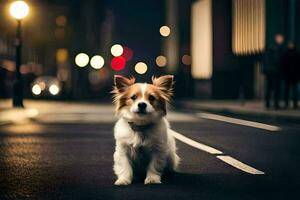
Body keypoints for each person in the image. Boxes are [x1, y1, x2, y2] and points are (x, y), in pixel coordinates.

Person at [263, 34, 285, 109]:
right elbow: (277, 61)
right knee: (274, 88)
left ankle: (270, 104)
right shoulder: (275, 49)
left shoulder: (272, 48)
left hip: (272, 72)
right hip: (274, 72)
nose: (281, 40)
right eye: (279, 38)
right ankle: (273, 104)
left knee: (271, 88)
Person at [281, 43, 299, 109]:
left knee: (288, 90)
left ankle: (288, 104)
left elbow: (283, 65)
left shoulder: (286, 54)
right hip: (293, 75)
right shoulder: (296, 53)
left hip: (289, 75)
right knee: (293, 90)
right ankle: (293, 104)